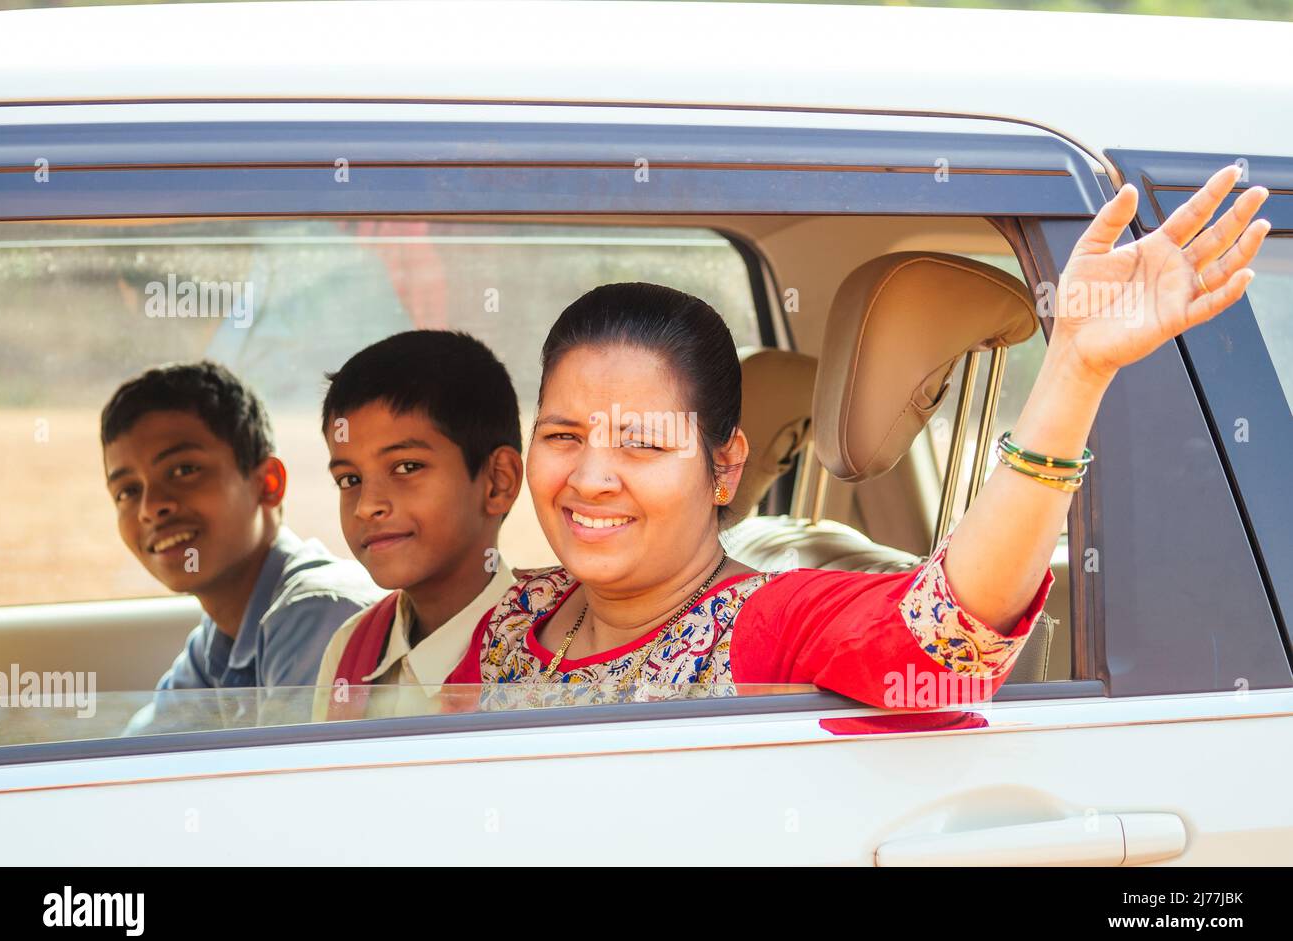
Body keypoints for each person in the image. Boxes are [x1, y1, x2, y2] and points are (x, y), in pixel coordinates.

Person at [424, 165, 1270, 709]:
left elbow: (950, 639)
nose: (590, 477)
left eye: (642, 443)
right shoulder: (516, 614)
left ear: (726, 467)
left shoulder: (768, 621)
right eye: (565, 434)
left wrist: (1075, 371)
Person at [101, 361, 381, 691]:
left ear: (267, 483)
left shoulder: (319, 614)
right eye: (128, 491)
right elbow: (151, 738)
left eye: (183, 470)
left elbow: (295, 746)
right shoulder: (216, 642)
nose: (150, 508)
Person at [313, 331, 524, 719]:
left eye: (407, 467)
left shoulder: (541, 659)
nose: (367, 506)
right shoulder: (349, 650)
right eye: (349, 479)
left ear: (498, 481)